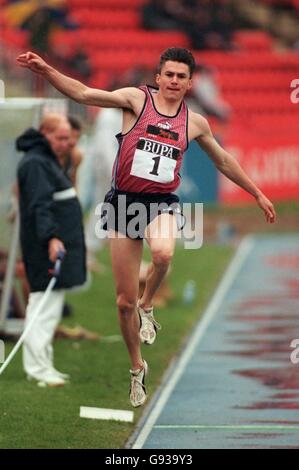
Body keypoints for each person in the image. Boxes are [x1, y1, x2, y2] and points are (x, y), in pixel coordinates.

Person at [16, 47, 276, 405]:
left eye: (181, 76)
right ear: (158, 77)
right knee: (123, 304)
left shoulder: (195, 122)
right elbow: (84, 93)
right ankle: (137, 368)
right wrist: (46, 70)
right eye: (168, 74)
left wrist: (257, 193)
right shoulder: (135, 101)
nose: (174, 81)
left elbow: (224, 160)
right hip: (122, 203)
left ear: (189, 83)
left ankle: (148, 305)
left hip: (160, 204)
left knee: (165, 254)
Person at [16, 113, 86, 387]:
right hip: (44, 244)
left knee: (50, 306)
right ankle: (37, 368)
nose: (67, 143)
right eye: (60, 138)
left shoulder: (45, 160)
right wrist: (51, 238)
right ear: (44, 133)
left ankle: (44, 364)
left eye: (69, 138)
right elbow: (40, 205)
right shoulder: (36, 162)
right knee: (43, 306)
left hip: (53, 240)